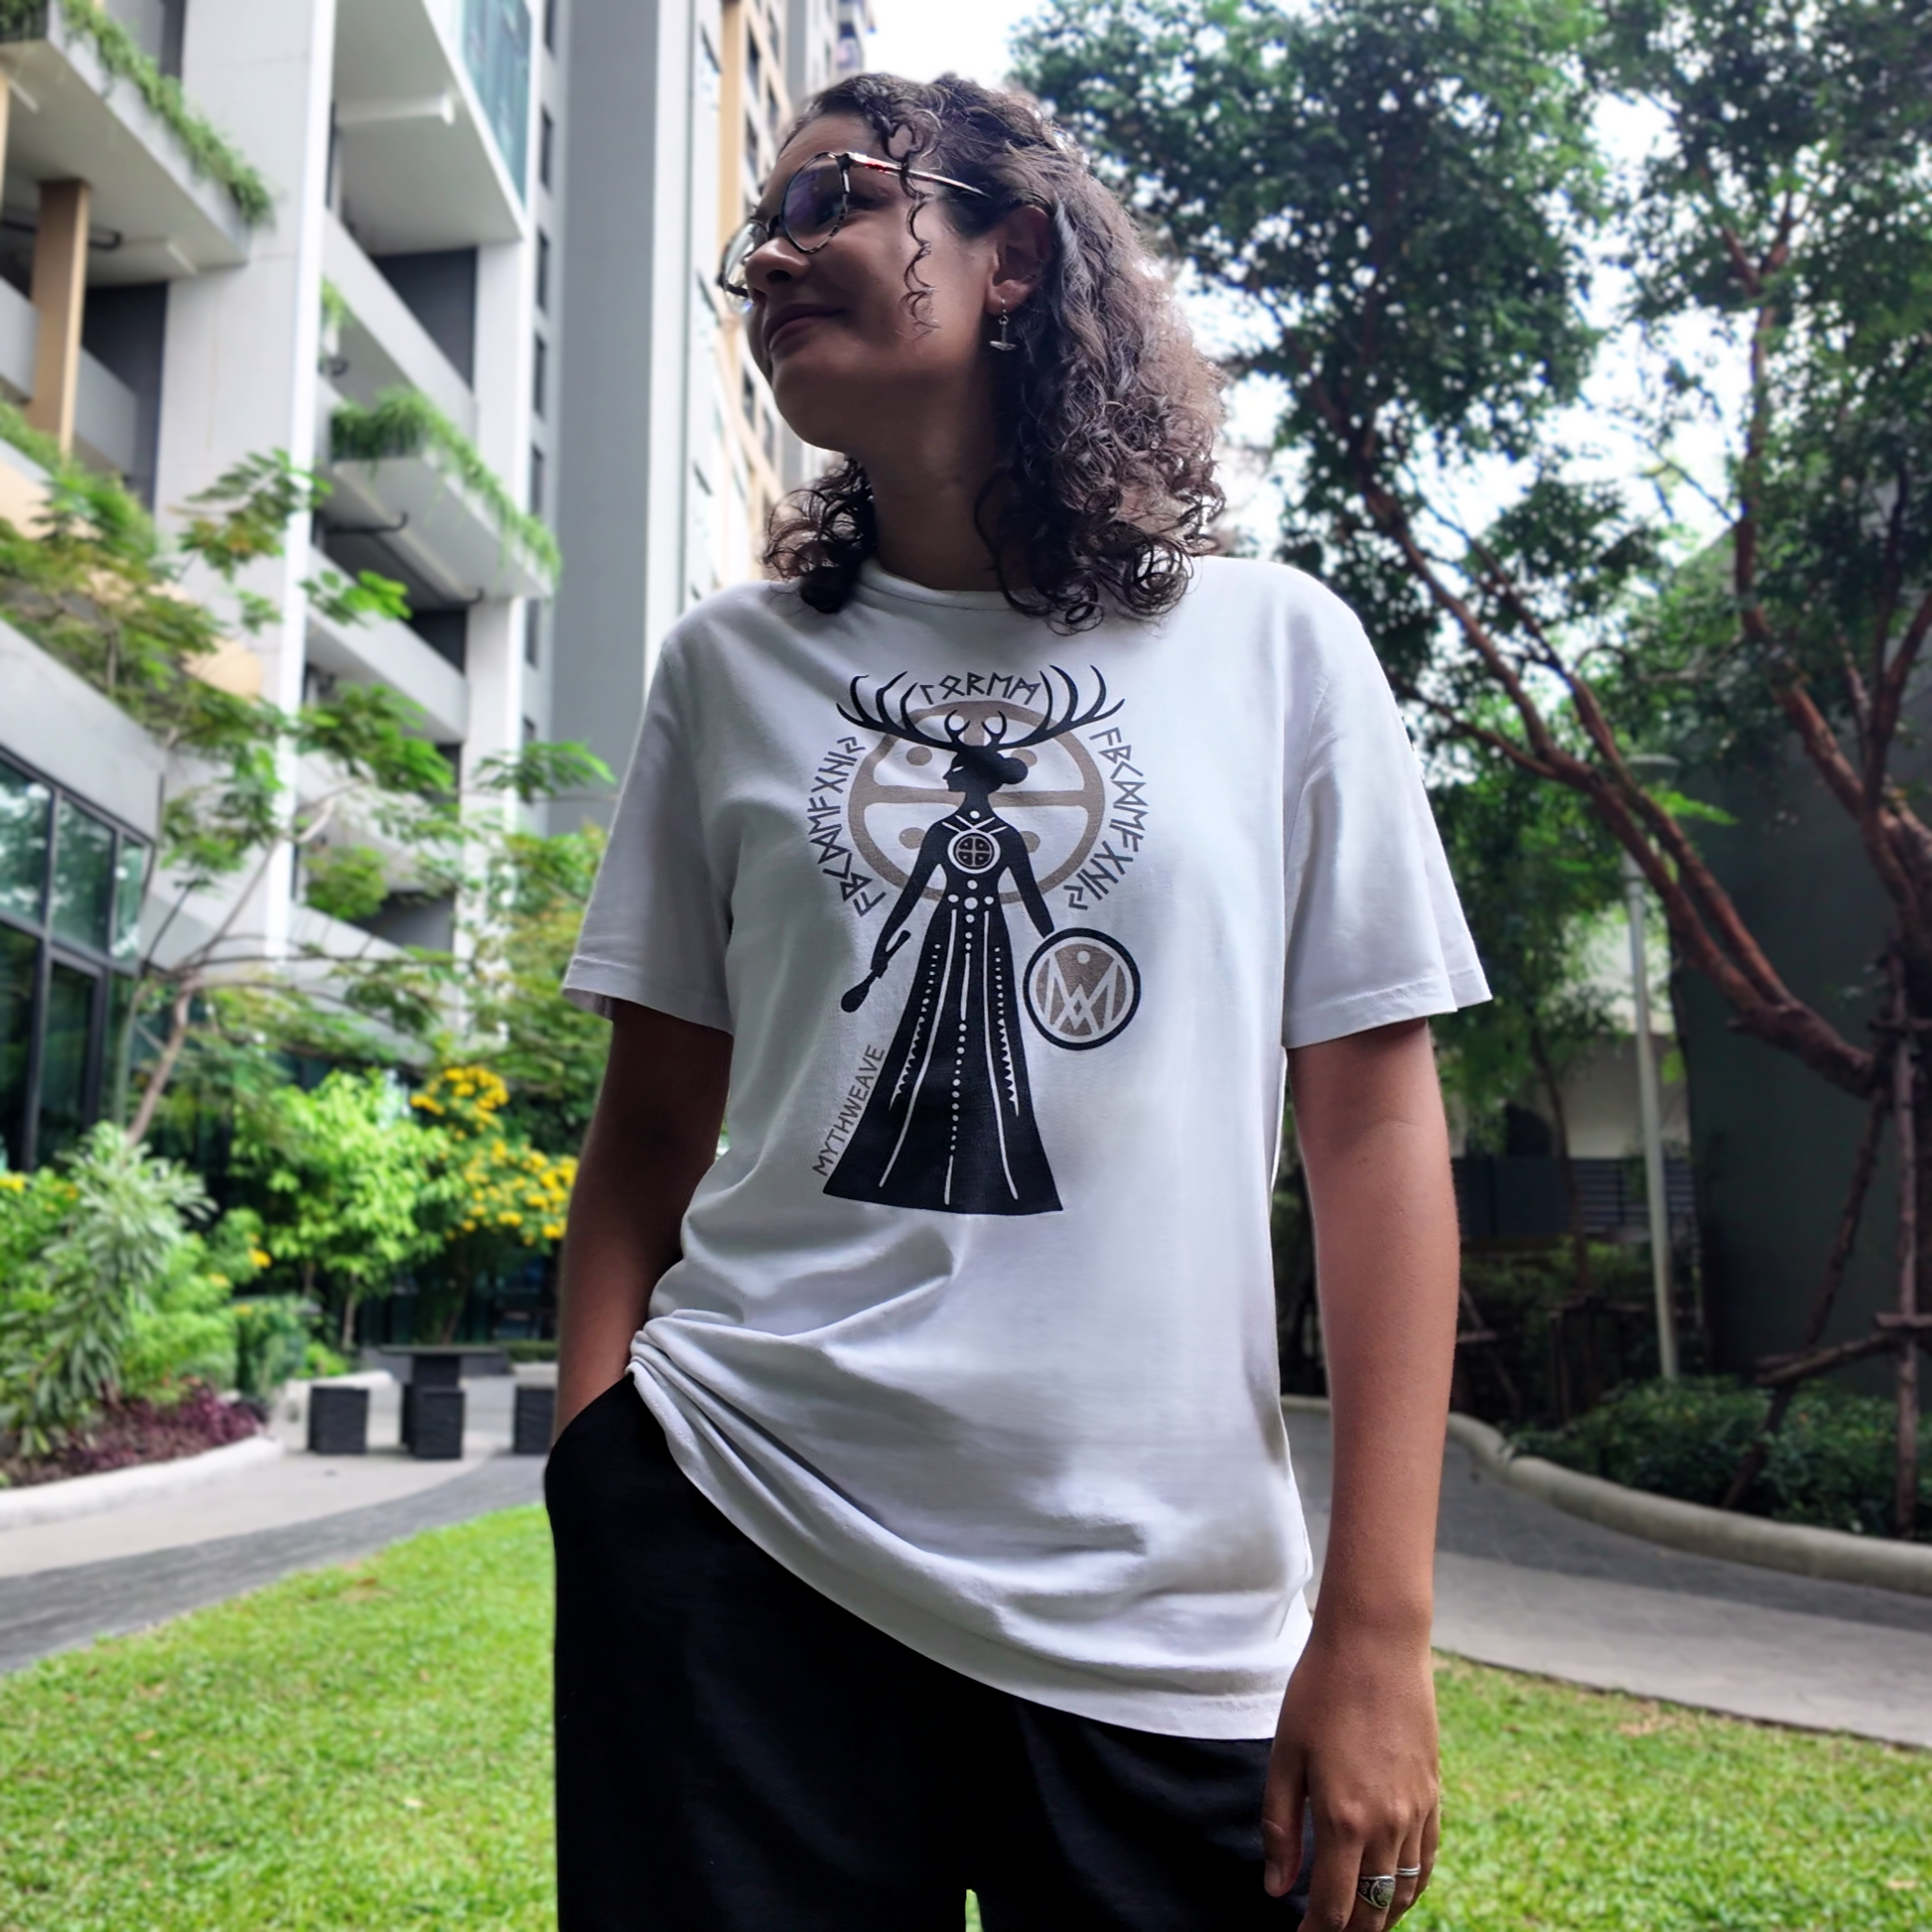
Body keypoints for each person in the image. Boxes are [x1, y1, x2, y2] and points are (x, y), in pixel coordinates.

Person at [547, 70, 1484, 1932]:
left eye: (831, 196)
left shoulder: (1278, 649)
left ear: (1018, 258)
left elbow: (1375, 1130)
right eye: (756, 232)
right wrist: (597, 1467)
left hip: (1160, 1613)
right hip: (734, 1543)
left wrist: (1375, 1627)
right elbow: (648, 1125)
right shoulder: (727, 667)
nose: (770, 256)